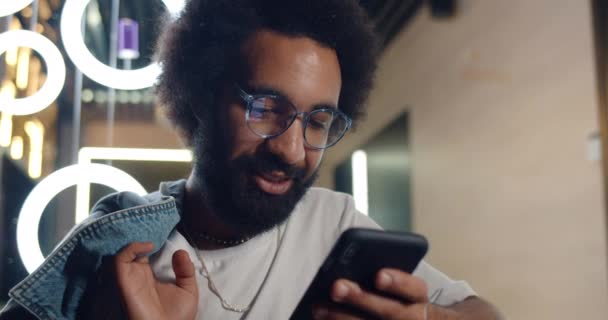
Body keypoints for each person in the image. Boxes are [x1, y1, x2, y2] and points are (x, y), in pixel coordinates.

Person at [1, 0, 502, 319]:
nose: (290, 149)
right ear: (201, 96)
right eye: (265, 108)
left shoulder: (337, 225)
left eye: (317, 121)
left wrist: (423, 319)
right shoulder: (115, 252)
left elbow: (485, 314)